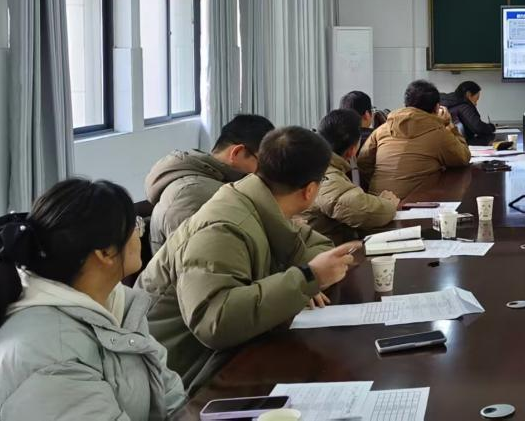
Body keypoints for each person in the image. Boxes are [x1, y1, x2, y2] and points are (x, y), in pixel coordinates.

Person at [0, 178, 186, 420]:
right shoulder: (48, 361)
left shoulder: (117, 304)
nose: (139, 232)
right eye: (135, 225)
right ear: (105, 253)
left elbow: (168, 391)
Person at [138, 126, 359, 388]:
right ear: (310, 190)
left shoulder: (260, 203)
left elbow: (316, 246)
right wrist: (306, 278)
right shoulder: (223, 226)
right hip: (175, 377)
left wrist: (309, 275)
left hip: (224, 358)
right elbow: (214, 321)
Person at [145, 113, 274, 251]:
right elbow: (199, 260)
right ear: (237, 153)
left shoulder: (216, 182)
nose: (265, 175)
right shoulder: (190, 195)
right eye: (263, 165)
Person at [358, 80, 472, 199]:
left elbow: (363, 162)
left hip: (378, 201)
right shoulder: (439, 133)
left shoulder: (382, 130)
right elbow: (463, 157)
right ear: (437, 107)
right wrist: (449, 126)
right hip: (414, 202)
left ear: (406, 104)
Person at [301, 108, 401, 243]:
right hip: (320, 250)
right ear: (352, 150)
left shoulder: (313, 162)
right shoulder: (325, 174)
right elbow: (362, 211)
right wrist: (389, 204)